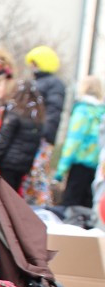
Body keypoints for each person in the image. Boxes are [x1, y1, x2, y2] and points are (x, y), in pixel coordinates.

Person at [52, 75, 105, 214]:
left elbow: (73, 141)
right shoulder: (102, 113)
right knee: (88, 209)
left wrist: (60, 171)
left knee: (70, 206)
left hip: (79, 165)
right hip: (97, 168)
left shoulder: (82, 111)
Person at [20, 45, 66, 207]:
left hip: (42, 138)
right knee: (31, 174)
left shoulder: (53, 84)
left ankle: (42, 205)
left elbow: (54, 111)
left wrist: (46, 134)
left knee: (38, 173)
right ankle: (31, 203)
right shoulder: (37, 82)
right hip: (31, 136)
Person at [0, 79, 45, 193]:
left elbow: (3, 141)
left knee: (3, 195)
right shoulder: (38, 117)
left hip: (8, 163)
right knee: (13, 194)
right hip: (23, 165)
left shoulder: (15, 114)